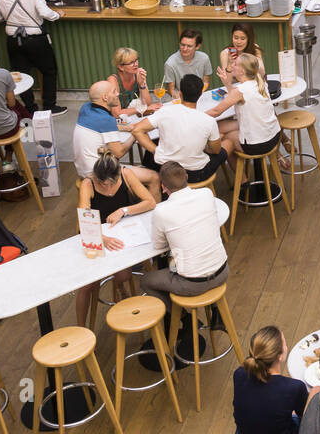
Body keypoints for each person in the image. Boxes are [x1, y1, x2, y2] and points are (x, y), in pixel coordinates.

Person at [140, 162, 229, 335]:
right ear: (186, 176)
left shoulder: (162, 211)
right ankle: (215, 309)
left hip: (192, 284)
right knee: (189, 254)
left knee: (146, 281)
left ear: (163, 187)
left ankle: (185, 319)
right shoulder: (206, 194)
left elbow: (159, 247)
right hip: (223, 271)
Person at [74, 150, 156, 326]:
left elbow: (150, 202)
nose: (107, 188)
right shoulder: (88, 184)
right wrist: (103, 238)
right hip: (97, 233)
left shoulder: (126, 174)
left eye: (110, 184)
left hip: (121, 230)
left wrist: (124, 210)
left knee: (124, 274)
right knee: (86, 284)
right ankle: (81, 327)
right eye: (102, 184)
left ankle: (119, 287)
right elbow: (83, 223)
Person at [130, 75, 226, 184]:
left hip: (168, 170)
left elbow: (137, 130)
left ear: (180, 93)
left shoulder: (165, 111)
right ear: (200, 94)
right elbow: (215, 150)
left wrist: (155, 150)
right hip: (194, 175)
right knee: (224, 150)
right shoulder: (209, 120)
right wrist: (203, 147)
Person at [206, 52, 288, 172]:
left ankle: (243, 183)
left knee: (223, 138)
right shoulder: (261, 83)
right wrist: (227, 84)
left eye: (235, 64)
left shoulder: (240, 91)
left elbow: (216, 111)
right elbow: (236, 96)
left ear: (242, 71)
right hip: (274, 138)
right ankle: (277, 155)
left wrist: (190, 116)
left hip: (258, 145)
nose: (232, 65)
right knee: (220, 126)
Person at [72, 81, 159, 186]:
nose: (117, 94)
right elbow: (119, 152)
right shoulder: (106, 120)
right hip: (99, 174)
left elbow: (102, 126)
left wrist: (127, 128)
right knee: (154, 176)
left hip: (83, 169)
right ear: (105, 97)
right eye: (114, 92)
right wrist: (135, 133)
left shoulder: (86, 108)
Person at [234, 326, 309, 434]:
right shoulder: (294, 388)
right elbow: (306, 417)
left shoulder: (239, 374)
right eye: (284, 343)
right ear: (280, 357)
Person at [107, 47, 155, 117]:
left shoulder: (138, 74)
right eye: (131, 62)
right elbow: (116, 114)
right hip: (119, 123)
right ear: (120, 67)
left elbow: (147, 104)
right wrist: (139, 109)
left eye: (136, 60)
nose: (136, 64)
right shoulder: (113, 81)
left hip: (134, 117)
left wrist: (142, 84)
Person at [217, 23, 263, 88]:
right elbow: (227, 82)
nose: (238, 42)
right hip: (234, 89)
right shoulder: (225, 53)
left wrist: (255, 60)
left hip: (253, 87)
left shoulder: (254, 49)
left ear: (249, 39)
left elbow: (262, 74)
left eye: (242, 39)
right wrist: (230, 64)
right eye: (236, 38)